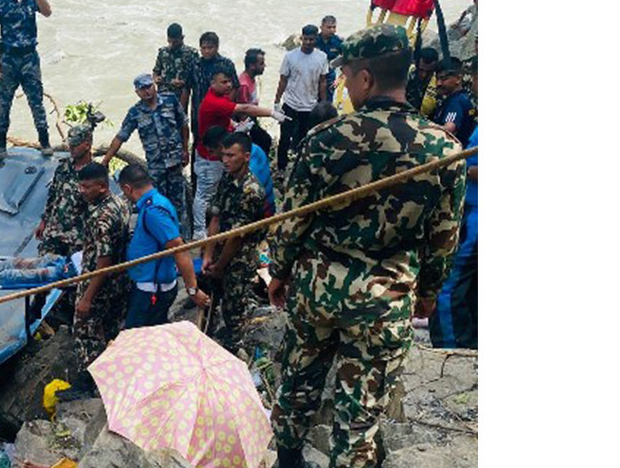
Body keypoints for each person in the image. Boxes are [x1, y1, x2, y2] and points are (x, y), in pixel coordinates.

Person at [267, 24, 466, 468]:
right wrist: (429, 292)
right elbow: (443, 236)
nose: (343, 84)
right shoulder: (443, 149)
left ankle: (288, 461)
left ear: (366, 79)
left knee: (298, 381)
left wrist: (279, 272)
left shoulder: (325, 140)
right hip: (385, 295)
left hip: (318, 288)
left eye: (347, 75)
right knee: (360, 412)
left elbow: (293, 218)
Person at [194, 71, 286, 240]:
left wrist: (236, 125)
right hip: (207, 159)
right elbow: (244, 108)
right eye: (224, 82)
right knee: (204, 195)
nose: (228, 85)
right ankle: (199, 231)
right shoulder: (214, 101)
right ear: (212, 83)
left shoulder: (248, 176)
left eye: (229, 81)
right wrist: (271, 113)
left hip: (260, 218)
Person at [200, 132, 267, 359]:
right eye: (224, 155)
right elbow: (216, 216)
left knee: (234, 309)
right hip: (219, 250)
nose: (225, 160)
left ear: (246, 157)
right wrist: (209, 254)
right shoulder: (227, 179)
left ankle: (234, 349)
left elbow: (237, 238)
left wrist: (220, 265)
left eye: (231, 155)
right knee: (213, 299)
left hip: (238, 259)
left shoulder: (251, 191)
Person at [117, 164, 210, 328]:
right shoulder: (156, 202)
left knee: (138, 335)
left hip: (152, 289)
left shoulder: (154, 211)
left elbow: (178, 249)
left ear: (127, 188)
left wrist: (192, 290)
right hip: (150, 285)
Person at [70, 162, 132, 392]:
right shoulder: (121, 203)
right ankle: (113, 377)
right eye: (80, 186)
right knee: (112, 328)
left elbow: (103, 261)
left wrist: (87, 297)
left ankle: (90, 383)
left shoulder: (101, 217)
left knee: (85, 332)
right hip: (119, 282)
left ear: (102, 187)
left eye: (87, 187)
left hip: (99, 283)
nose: (81, 191)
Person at [0, 0, 54, 160]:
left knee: (37, 102)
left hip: (29, 58)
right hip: (8, 59)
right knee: (4, 103)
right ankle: (1, 144)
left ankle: (45, 142)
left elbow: (48, 12)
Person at [102, 73, 190, 226]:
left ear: (154, 85)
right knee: (158, 203)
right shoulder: (135, 113)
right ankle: (164, 237)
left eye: (149, 86)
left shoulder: (170, 101)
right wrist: (106, 160)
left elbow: (183, 125)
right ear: (137, 92)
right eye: (142, 89)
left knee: (179, 203)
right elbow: (121, 137)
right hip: (156, 167)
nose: (147, 91)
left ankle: (182, 237)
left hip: (175, 162)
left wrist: (185, 150)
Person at [34, 121, 97, 323]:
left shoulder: (94, 173)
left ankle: (70, 316)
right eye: (70, 143)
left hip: (77, 235)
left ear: (87, 144)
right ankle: (38, 305)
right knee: (42, 268)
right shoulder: (64, 167)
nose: (70, 147)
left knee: (73, 278)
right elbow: (53, 194)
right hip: (55, 229)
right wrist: (44, 221)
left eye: (75, 144)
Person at [430, 125, 477, 349]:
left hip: (475, 214)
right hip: (470, 209)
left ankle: (452, 345)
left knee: (450, 283)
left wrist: (463, 168)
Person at [273, 24, 331, 172]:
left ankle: (301, 167)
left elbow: (322, 81)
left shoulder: (322, 57)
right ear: (301, 38)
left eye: (311, 39)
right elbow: (283, 80)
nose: (308, 42)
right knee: (284, 137)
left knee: (306, 138)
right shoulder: (290, 56)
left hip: (309, 106)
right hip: (291, 104)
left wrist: (323, 104)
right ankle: (281, 166)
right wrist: (277, 101)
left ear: (316, 39)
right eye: (305, 39)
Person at [190, 32, 239, 148]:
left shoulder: (226, 64)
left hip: (220, 112)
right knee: (199, 143)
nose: (206, 51)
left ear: (217, 47)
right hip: (198, 113)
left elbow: (235, 87)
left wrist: (226, 107)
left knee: (222, 143)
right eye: (203, 48)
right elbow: (187, 89)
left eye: (210, 48)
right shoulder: (194, 65)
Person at [153, 23, 200, 116]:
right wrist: (156, 78)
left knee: (181, 122)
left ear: (182, 38)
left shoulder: (191, 54)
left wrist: (184, 83)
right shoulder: (163, 52)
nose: (172, 44)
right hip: (163, 95)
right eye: (170, 41)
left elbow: (197, 76)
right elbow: (156, 71)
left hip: (182, 95)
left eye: (175, 42)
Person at [430, 59, 477, 145]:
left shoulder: (456, 101)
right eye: (437, 79)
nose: (438, 83)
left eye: (444, 79)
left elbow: (448, 129)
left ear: (458, 79)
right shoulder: (466, 97)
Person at [237, 48, 274, 156]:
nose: (264, 66)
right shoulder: (244, 84)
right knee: (265, 141)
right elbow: (242, 111)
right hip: (246, 122)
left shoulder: (251, 79)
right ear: (252, 66)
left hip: (252, 118)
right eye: (261, 64)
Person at [315, 16, 344, 102]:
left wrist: (340, 78)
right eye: (328, 27)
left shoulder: (338, 42)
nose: (332, 30)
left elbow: (348, 61)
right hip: (314, 77)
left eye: (334, 27)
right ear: (321, 27)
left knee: (326, 105)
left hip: (329, 78)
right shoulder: (314, 40)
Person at [405, 47, 440, 114]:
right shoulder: (407, 72)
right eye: (421, 70)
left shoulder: (439, 83)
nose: (424, 75)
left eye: (429, 72)